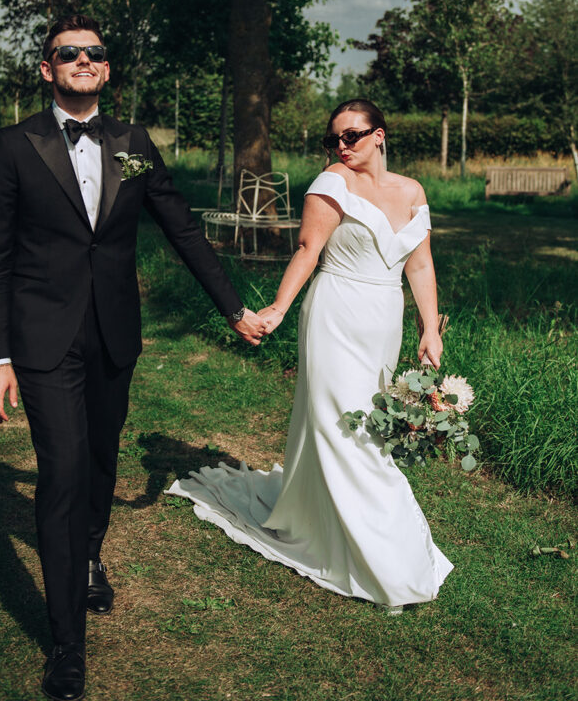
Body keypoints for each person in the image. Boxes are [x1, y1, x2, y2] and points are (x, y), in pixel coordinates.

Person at [0, 14, 266, 701]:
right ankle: (67, 646)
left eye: (94, 53)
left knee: (101, 460)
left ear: (106, 70)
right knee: (65, 471)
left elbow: (180, 227)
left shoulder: (133, 144)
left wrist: (232, 306)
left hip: (113, 335)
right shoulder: (16, 145)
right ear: (46, 69)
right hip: (42, 339)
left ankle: (88, 558)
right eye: (67, 53)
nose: (82, 60)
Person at [168, 99, 453, 611]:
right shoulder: (331, 184)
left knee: (368, 426)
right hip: (335, 317)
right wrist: (277, 308)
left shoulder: (412, 191)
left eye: (352, 137)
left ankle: (327, 518)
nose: (341, 147)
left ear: (380, 135)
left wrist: (430, 328)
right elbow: (307, 251)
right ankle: (388, 555)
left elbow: (421, 266)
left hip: (383, 322)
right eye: (334, 140)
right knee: (341, 427)